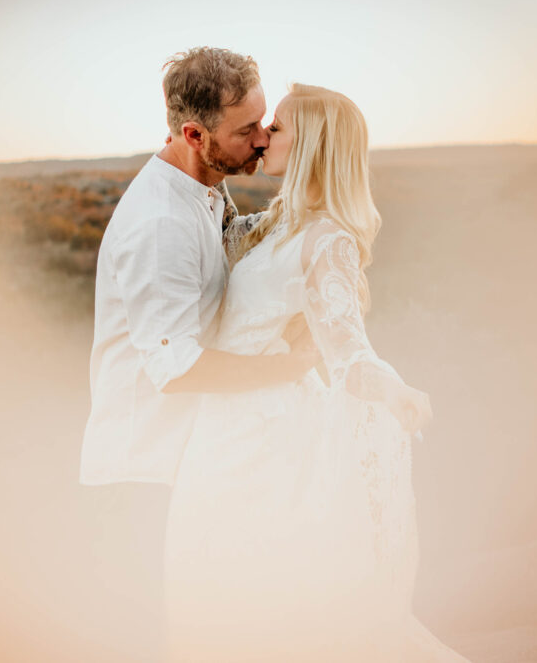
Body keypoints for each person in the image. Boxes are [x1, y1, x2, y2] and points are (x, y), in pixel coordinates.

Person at [161, 83, 469, 662]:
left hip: (266, 443)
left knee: (256, 605)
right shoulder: (279, 222)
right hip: (221, 428)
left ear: (314, 146)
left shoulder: (328, 241)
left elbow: (348, 353)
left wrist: (396, 390)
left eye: (276, 128)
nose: (262, 137)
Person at [78, 47, 317, 658]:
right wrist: (283, 370)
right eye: (247, 130)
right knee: (145, 641)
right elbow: (176, 367)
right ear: (193, 133)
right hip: (142, 471)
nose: (263, 140)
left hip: (190, 462)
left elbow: (235, 266)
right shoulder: (161, 223)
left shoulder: (204, 187)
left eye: (264, 122)